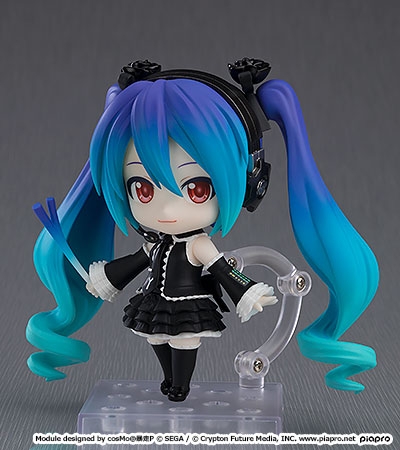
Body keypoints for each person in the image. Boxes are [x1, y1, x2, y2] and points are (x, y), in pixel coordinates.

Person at [26, 58, 379, 402]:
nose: (166, 210)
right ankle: (168, 379)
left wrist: (247, 292)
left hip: (188, 305)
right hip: (156, 301)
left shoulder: (198, 245)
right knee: (155, 338)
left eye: (196, 188)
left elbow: (223, 271)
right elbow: (133, 263)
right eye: (143, 189)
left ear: (251, 184)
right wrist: (103, 279)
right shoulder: (154, 244)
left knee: (183, 341)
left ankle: (180, 384)